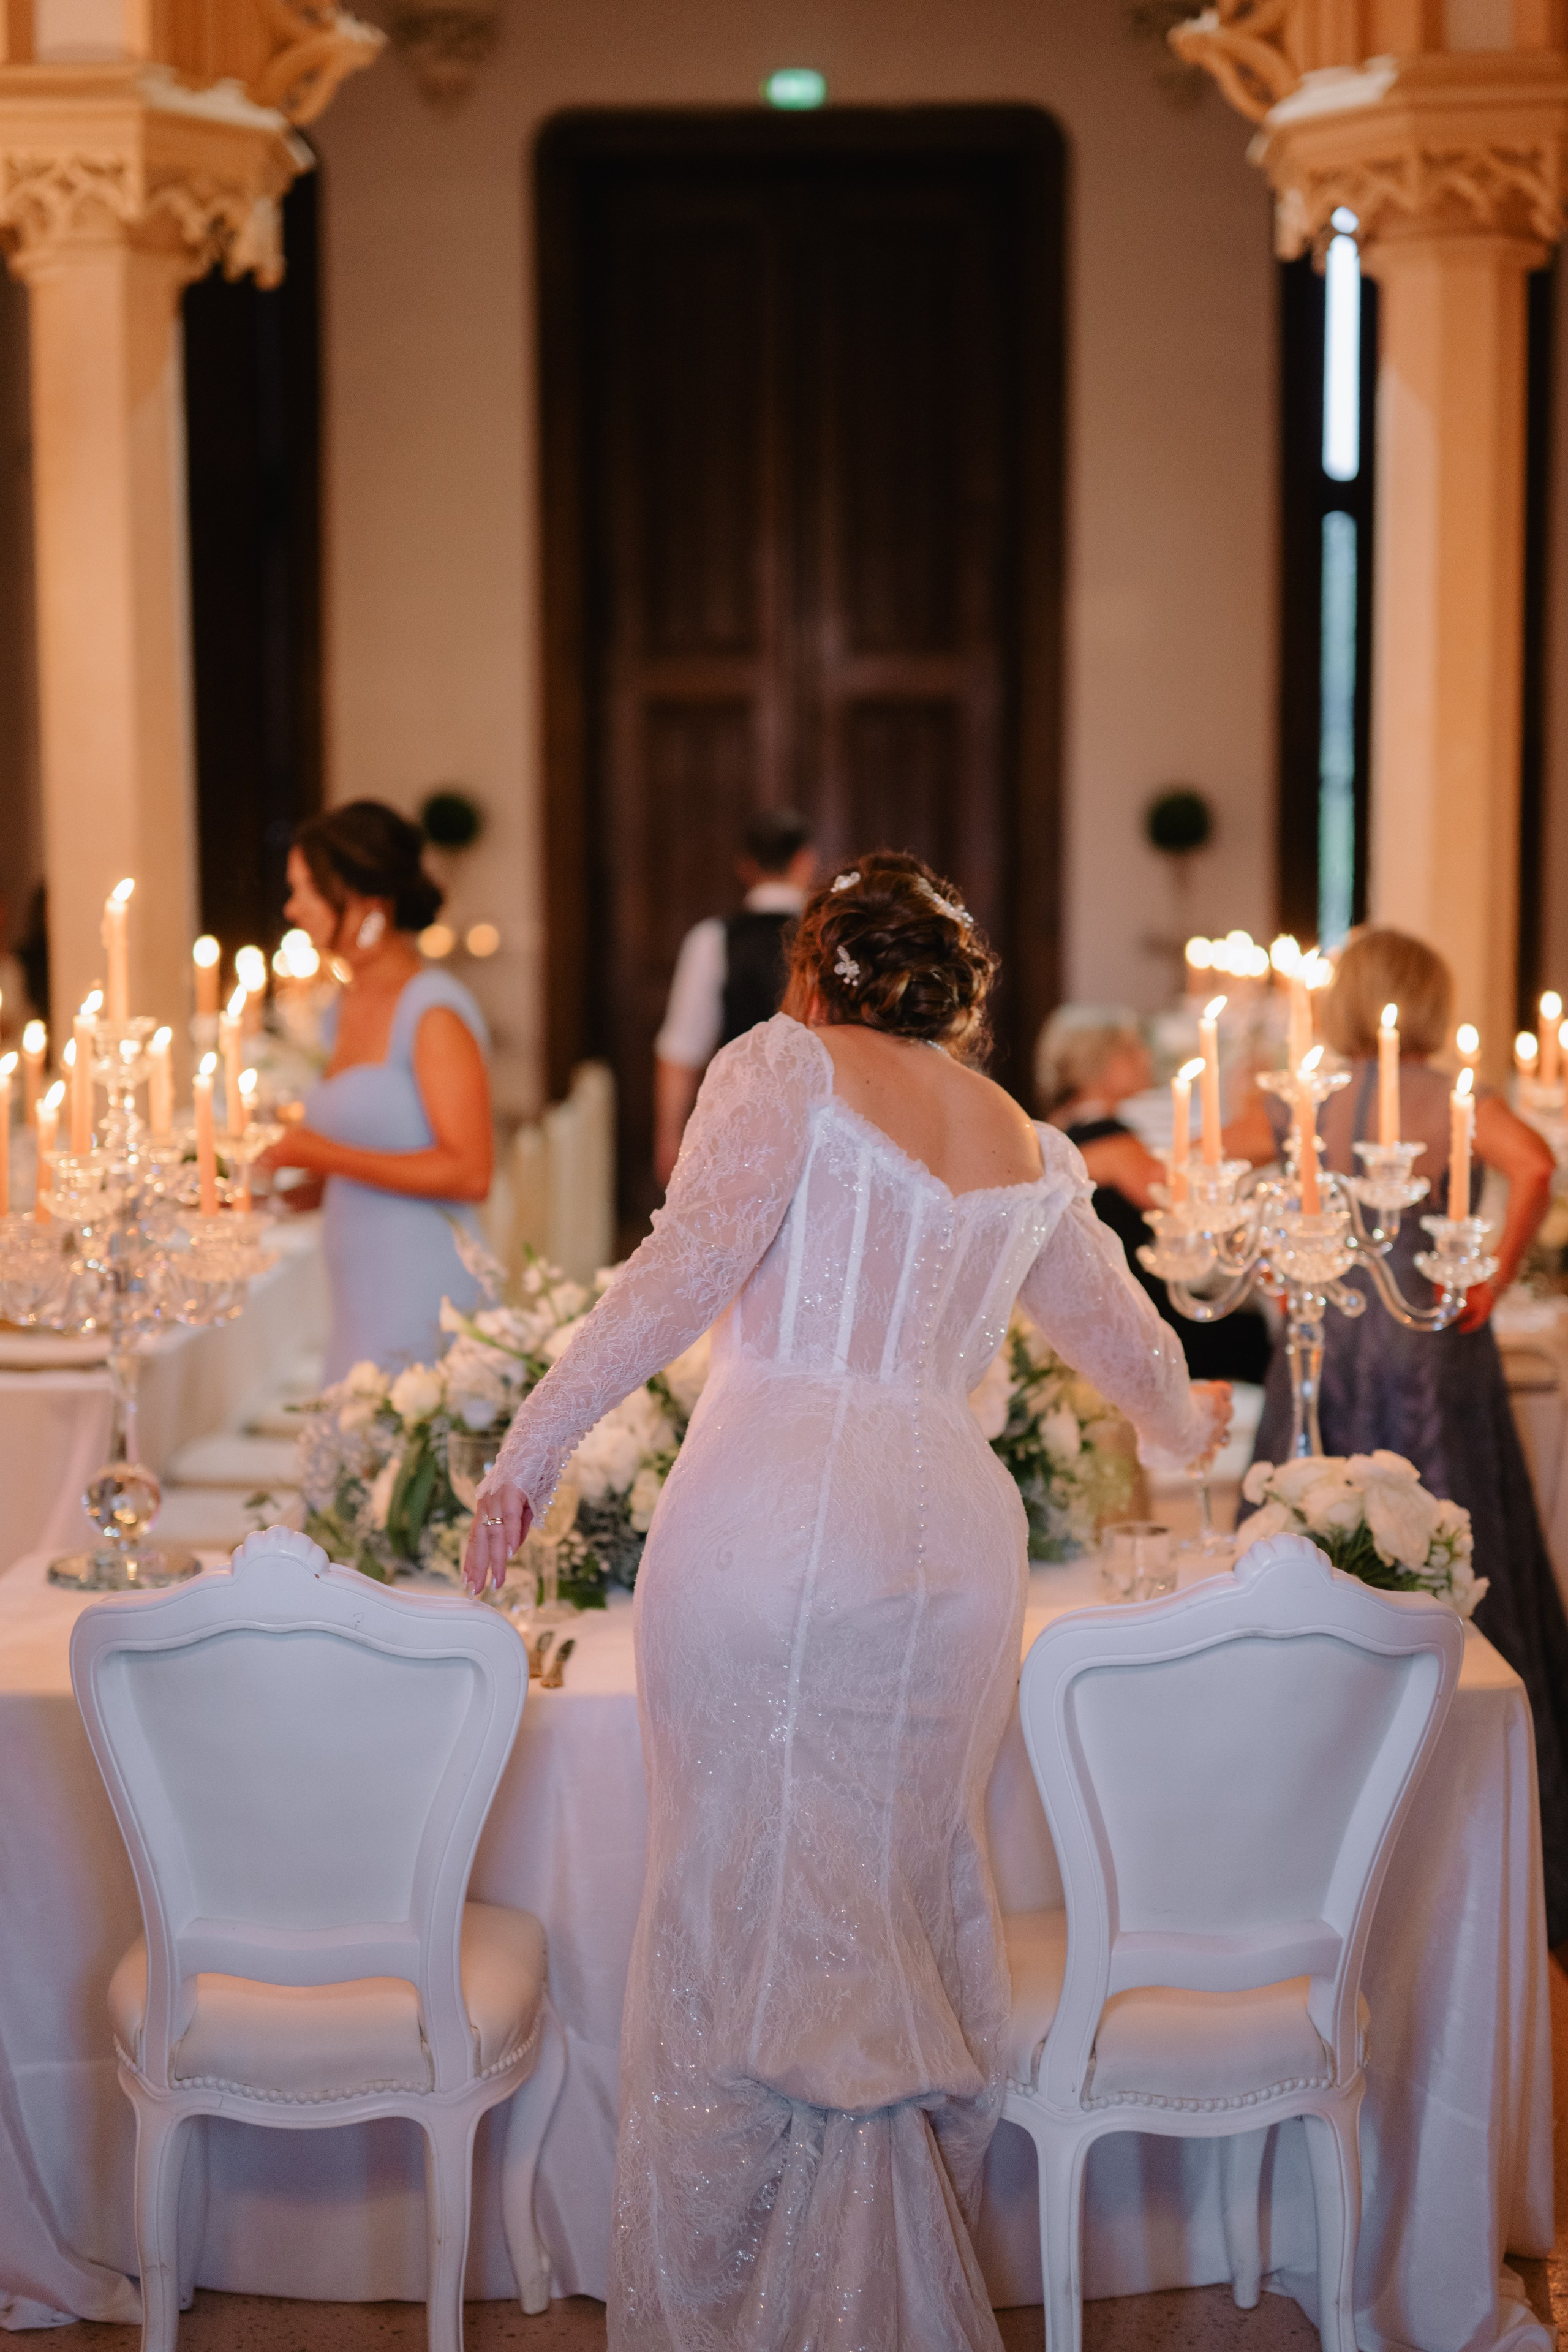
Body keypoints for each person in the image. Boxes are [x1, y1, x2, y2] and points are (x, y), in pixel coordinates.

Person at [467, 852, 1228, 2348]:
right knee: (891, 1893)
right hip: (951, 1537)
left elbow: (673, 1274)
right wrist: (1202, 1435)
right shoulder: (1022, 1132)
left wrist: (533, 1447)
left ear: (815, 968)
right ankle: (878, 2284)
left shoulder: (782, 1067)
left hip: (776, 1513)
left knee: (740, 1897)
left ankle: (749, 2305)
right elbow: (1132, 1352)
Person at [1242, 925, 1568, 1941]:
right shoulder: (1447, 1095)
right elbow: (1538, 1165)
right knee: (1461, 1555)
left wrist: (1256, 1250)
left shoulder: (1309, 1096)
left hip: (1325, 1336)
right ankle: (1483, 1817)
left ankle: (1310, 1800)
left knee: (1310, 1536)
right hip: (1429, 1333)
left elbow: (1207, 1162)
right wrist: (1495, 1272)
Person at [257, 801, 494, 1381]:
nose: (292, 909)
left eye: (306, 890)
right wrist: (276, 1195)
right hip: (356, 1295)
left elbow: (470, 1173)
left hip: (420, 1283)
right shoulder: (343, 1006)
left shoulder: (432, 1010)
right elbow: (370, 1160)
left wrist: (313, 1152)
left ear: (363, 899)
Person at [1036, 1003, 1272, 1383]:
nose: (1146, 1057)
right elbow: (1171, 1187)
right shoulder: (1101, 1132)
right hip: (1133, 1314)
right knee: (1256, 1335)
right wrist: (1261, 1118)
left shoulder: (1069, 1127)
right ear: (1100, 1064)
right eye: (1131, 1050)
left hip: (1105, 1305)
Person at [652, 809, 816, 1186]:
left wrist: (669, 1137)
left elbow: (682, 1048)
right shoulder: (828, 940)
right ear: (805, 862)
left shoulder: (712, 938)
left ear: (746, 868)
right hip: (818, 1120)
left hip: (740, 1121)